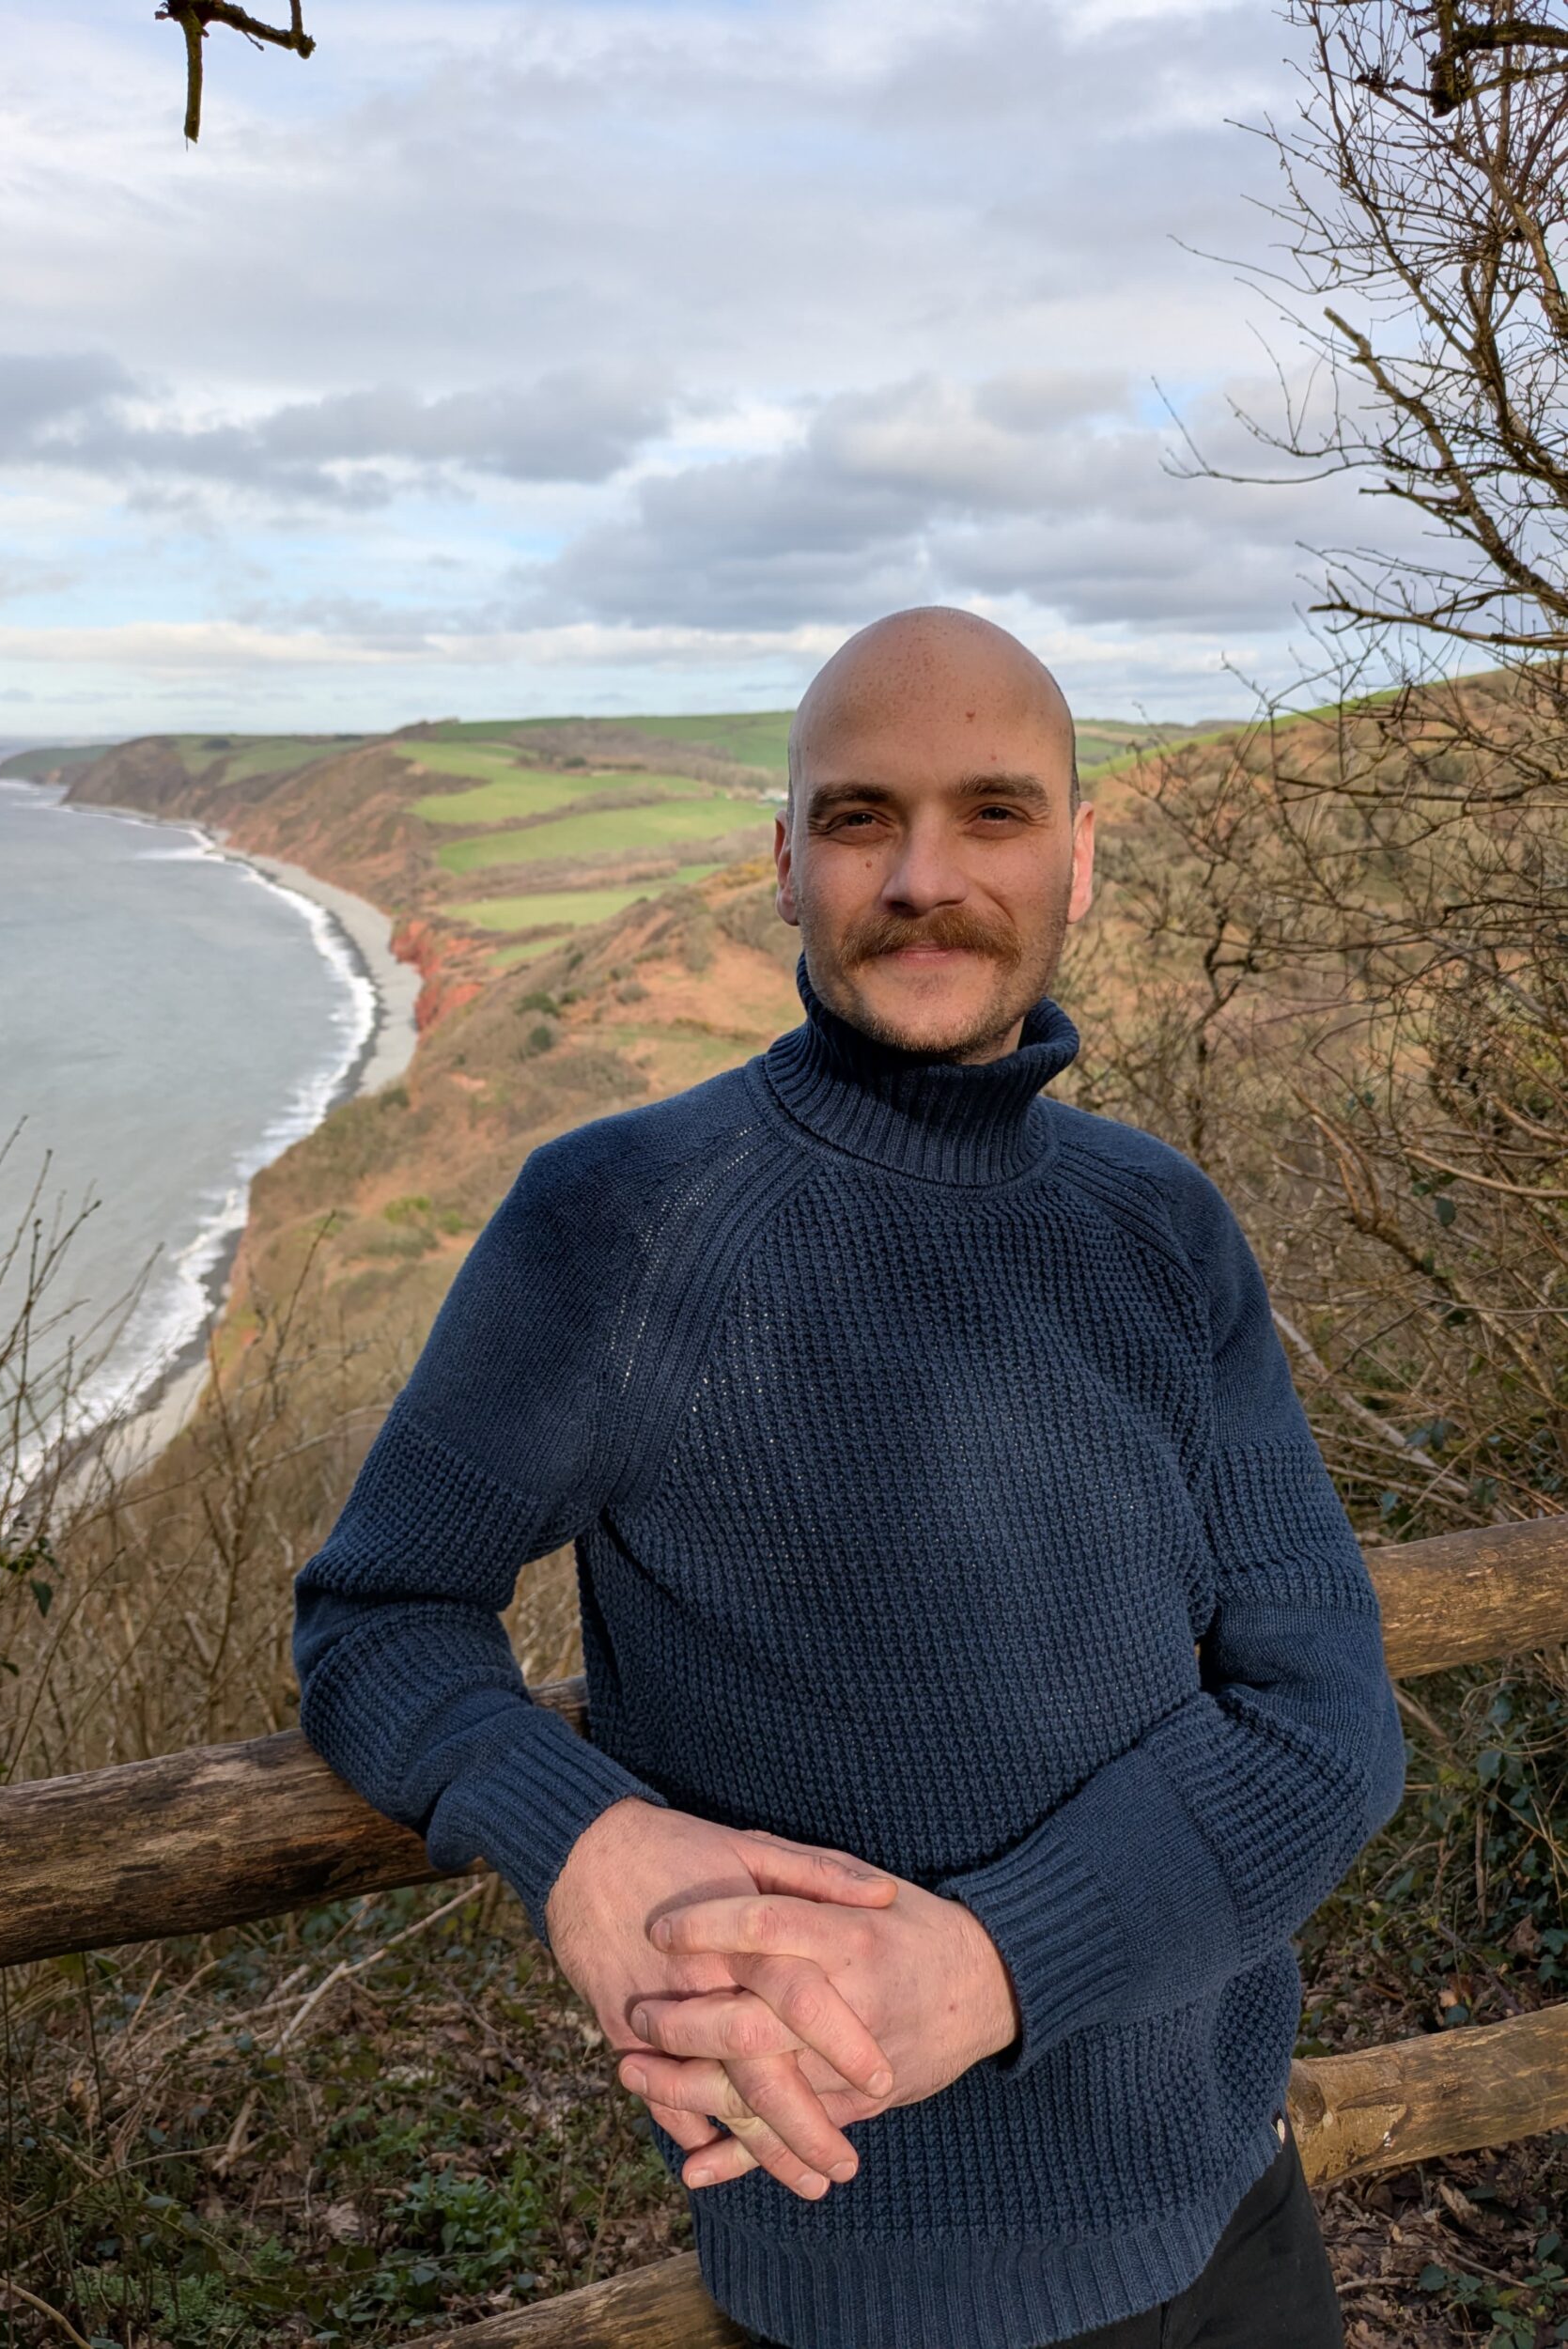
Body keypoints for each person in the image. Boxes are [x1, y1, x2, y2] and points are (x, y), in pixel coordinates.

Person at [290, 606, 1406, 2349]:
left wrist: (994, 1966)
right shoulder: (613, 1223)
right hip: (866, 2276)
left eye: (993, 812)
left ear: (1078, 858)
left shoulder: (1158, 1227)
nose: (922, 876)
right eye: (864, 816)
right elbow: (376, 1615)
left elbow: (1324, 1711)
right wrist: (576, 1844)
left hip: (1236, 2215)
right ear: (786, 857)